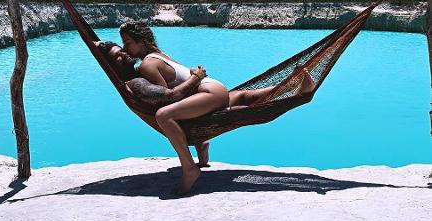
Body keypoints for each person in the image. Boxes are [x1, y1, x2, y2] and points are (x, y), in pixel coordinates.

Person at [118, 22, 314, 194]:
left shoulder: (147, 65)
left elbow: (169, 98)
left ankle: (189, 169)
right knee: (243, 96)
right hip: (215, 87)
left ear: (140, 42)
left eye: (127, 42)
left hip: (207, 92)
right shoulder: (159, 55)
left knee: (164, 115)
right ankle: (296, 85)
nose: (124, 47)